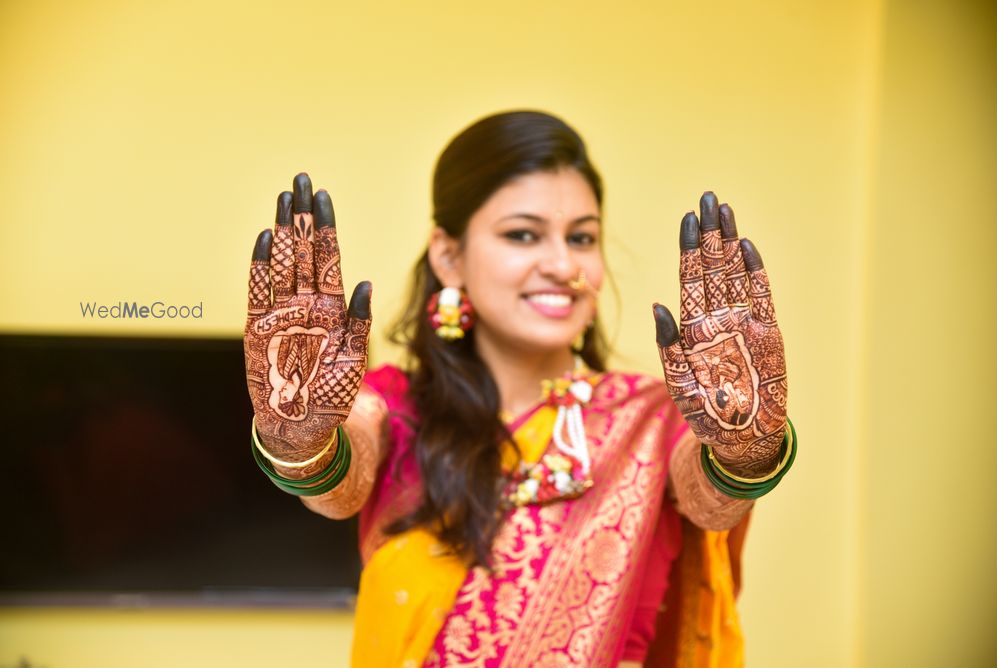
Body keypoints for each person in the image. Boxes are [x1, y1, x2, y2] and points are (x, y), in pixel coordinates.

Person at [243, 110, 795, 667]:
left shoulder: (654, 419)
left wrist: (744, 451)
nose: (561, 264)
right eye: (523, 234)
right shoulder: (394, 408)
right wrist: (301, 443)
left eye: (582, 238)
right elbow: (335, 480)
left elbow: (713, 497)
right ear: (449, 255)